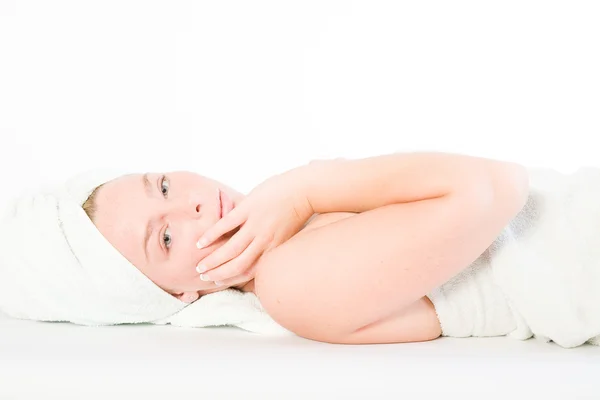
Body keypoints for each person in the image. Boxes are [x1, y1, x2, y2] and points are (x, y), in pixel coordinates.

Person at [1, 151, 599, 347]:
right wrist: (306, 185)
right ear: (178, 293)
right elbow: (495, 188)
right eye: (164, 236)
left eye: (162, 185)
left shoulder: (299, 248)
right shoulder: (292, 284)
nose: (193, 205)